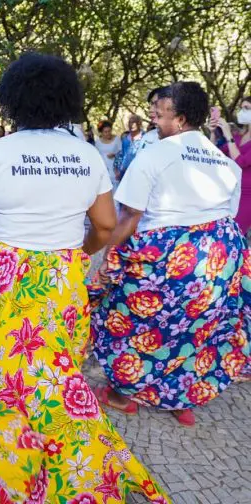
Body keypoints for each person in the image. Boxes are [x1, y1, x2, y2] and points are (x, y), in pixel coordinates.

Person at [0, 53, 168, 503]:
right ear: (65, 101)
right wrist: (75, 255)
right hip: (61, 282)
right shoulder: (87, 155)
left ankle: (5, 471)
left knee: (0, 380)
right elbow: (105, 227)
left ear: (12, 101)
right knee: (56, 377)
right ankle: (65, 470)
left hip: (2, 281)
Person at [91, 81, 249, 427]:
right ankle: (182, 401)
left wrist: (106, 259)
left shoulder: (155, 155)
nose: (154, 122)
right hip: (218, 258)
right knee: (196, 326)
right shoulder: (224, 161)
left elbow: (130, 215)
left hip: (167, 257)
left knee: (128, 317)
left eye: (158, 115)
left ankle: (123, 395)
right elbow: (228, 216)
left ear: (178, 119)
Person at [210, 95, 251, 234]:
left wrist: (228, 136)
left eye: (247, 108)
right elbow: (215, 154)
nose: (242, 112)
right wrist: (213, 133)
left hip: (247, 195)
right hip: (230, 191)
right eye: (241, 108)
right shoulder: (238, 136)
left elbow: (241, 162)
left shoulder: (233, 136)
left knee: (235, 233)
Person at [95, 121, 121, 187]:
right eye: (105, 132)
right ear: (101, 132)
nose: (108, 133)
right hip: (103, 170)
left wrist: (115, 155)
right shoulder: (98, 142)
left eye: (109, 131)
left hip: (115, 170)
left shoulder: (117, 140)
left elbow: (122, 154)